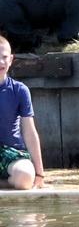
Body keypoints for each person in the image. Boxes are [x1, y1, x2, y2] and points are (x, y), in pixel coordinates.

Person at [0, 36, 44, 190]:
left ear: (11, 59)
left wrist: (39, 173)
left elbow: (29, 132)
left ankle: (6, 183)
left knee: (25, 177)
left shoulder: (20, 90)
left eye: (4, 57)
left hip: (12, 153)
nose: (1, 62)